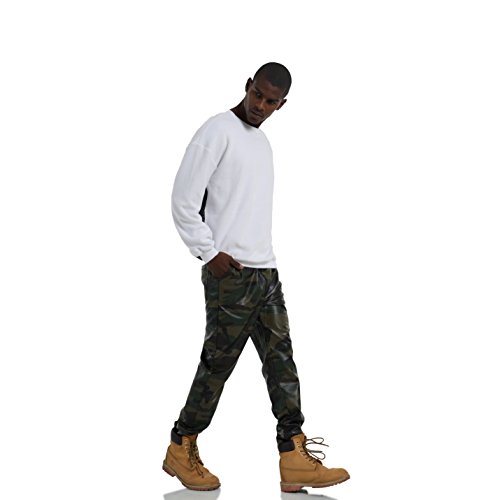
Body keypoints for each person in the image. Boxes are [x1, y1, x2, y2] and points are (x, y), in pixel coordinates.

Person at [163, 62, 350, 493]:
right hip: (231, 275)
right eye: (257, 95)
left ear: (282, 105)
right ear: (247, 86)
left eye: (271, 101)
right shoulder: (217, 130)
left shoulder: (262, 143)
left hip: (265, 272)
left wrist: (265, 266)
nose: (260, 105)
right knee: (217, 365)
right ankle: (181, 445)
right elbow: (183, 199)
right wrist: (208, 253)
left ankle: (294, 455)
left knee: (282, 363)